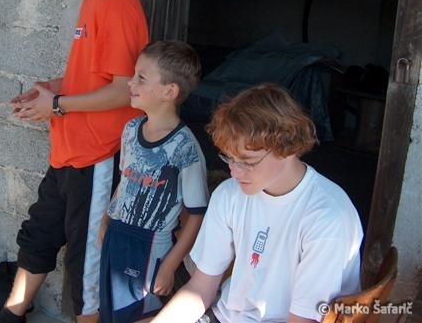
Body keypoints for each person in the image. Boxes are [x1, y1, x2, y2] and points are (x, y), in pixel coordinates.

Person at [0, 0, 149, 323]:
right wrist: (50, 89)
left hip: (98, 154)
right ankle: (10, 316)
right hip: (68, 150)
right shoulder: (94, 1)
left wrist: (57, 106)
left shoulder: (118, 3)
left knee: (87, 267)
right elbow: (95, 77)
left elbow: (125, 90)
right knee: (39, 235)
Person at [150, 83, 364, 323]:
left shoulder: (327, 217)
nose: (234, 172)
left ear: (288, 148)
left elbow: (303, 320)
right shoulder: (229, 194)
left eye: (248, 162)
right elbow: (200, 287)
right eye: (229, 158)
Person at [99, 41, 210, 323]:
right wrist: (105, 222)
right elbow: (125, 181)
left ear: (169, 91)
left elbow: (196, 215)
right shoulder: (131, 129)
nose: (130, 83)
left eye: (141, 78)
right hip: (116, 235)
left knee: (137, 315)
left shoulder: (185, 148)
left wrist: (170, 265)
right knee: (111, 313)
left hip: (150, 246)